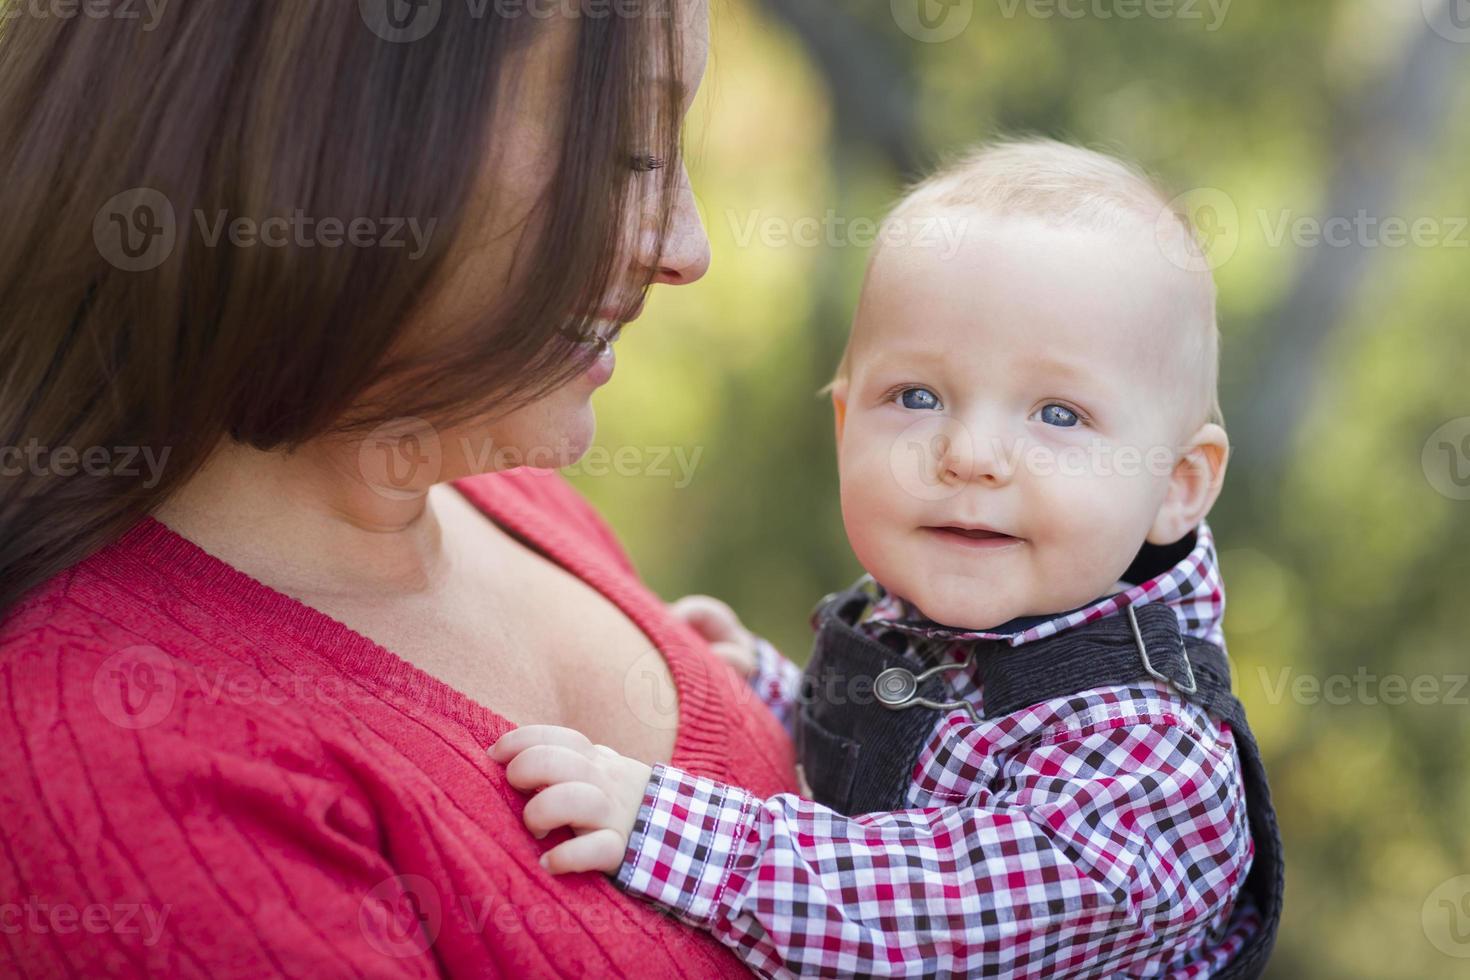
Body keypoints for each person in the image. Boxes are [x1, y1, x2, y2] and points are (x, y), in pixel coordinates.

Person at [0, 1, 802, 975]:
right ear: (338, 126)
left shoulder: (501, 496)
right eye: (629, 153)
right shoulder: (125, 774)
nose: (687, 248)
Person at [492, 140, 1283, 978]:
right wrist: (768, 689)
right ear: (845, 430)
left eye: (1058, 414)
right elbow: (905, 766)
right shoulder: (937, 621)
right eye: (916, 397)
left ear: (1177, 484)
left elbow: (930, 910)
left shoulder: (1153, 757)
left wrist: (669, 828)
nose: (971, 454)